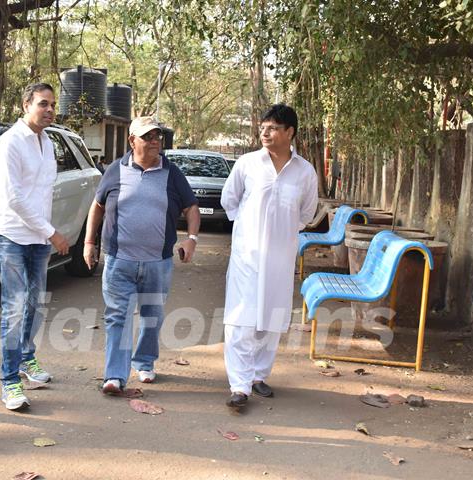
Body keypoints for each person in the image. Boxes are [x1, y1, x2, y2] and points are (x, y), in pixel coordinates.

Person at [82, 116, 201, 394]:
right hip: (118, 260)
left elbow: (192, 208)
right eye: (147, 136)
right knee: (117, 317)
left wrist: (191, 239)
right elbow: (97, 206)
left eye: (157, 136)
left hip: (157, 262)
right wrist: (89, 242)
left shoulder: (171, 173)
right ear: (132, 140)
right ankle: (114, 376)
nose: (154, 141)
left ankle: (145, 361)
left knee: (152, 316)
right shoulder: (115, 170)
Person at [221, 104, 318, 408]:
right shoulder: (247, 164)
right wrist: (252, 233)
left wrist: (278, 233)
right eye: (263, 127)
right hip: (246, 257)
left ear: (290, 132)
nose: (265, 132)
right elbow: (230, 201)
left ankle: (259, 376)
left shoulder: (304, 171)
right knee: (241, 319)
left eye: (273, 127)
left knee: (271, 318)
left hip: (280, 258)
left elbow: (306, 213)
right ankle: (239, 385)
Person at [0, 83, 70, 410]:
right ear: (26, 105)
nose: (49, 110)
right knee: (15, 306)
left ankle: (26, 359)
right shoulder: (10, 142)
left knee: (35, 305)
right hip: (11, 236)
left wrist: (46, 234)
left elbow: (44, 194)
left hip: (38, 240)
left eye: (52, 104)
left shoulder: (47, 142)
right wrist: (52, 232)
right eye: (42, 104)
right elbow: (15, 198)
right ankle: (9, 382)